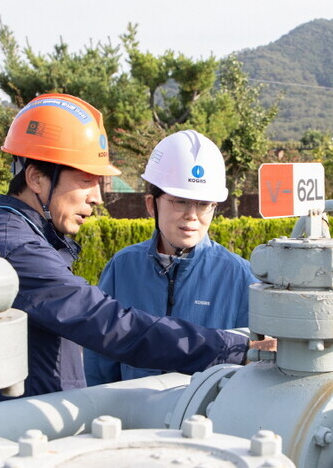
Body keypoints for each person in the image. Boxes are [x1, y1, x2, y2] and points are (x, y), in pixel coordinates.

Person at [0, 93, 270, 402]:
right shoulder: (16, 249)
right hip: (30, 428)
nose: (97, 197)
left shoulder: (26, 239)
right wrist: (232, 348)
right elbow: (108, 325)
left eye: (204, 204)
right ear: (36, 178)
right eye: (87, 179)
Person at [84, 130, 256, 385]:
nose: (192, 215)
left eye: (204, 204)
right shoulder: (123, 267)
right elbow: (99, 363)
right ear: (152, 204)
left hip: (207, 420)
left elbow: (252, 368)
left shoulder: (240, 275)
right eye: (180, 201)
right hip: (131, 419)